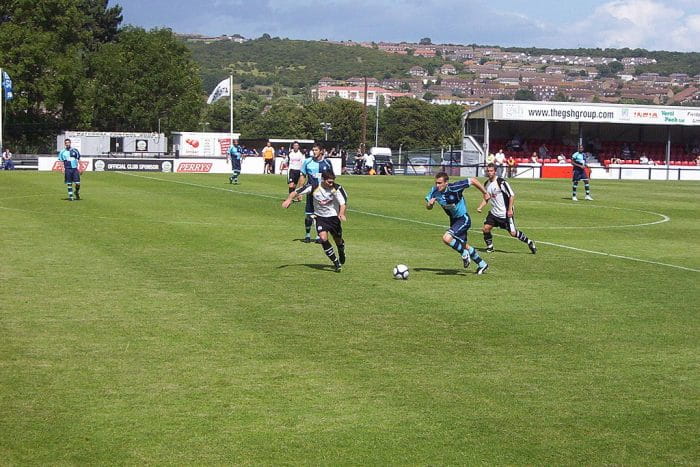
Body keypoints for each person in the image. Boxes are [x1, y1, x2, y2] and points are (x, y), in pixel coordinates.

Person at [425, 171, 491, 274]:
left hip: (463, 219)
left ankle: (464, 254)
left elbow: (473, 180)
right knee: (464, 245)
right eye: (436, 183)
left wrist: (485, 193)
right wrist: (430, 204)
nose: (437, 185)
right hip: (454, 221)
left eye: (439, 183)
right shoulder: (434, 191)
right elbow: (428, 207)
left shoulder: (454, 187)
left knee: (446, 238)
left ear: (446, 183)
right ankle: (482, 264)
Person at [282, 171, 347, 272]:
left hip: (334, 218)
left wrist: (341, 213)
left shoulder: (337, 188)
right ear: (323, 180)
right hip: (320, 217)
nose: (331, 184)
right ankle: (336, 263)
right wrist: (289, 199)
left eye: (332, 182)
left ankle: (341, 250)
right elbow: (296, 192)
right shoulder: (313, 187)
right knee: (323, 238)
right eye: (329, 182)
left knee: (338, 240)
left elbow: (343, 203)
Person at [476, 163, 537, 254]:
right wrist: (480, 207)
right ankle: (490, 247)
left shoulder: (501, 182)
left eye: (491, 171)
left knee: (513, 233)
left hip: (505, 213)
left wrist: (510, 210)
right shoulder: (486, 184)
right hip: (494, 213)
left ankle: (530, 242)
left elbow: (511, 195)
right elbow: (487, 198)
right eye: (488, 171)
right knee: (485, 228)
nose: (489, 173)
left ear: (495, 171)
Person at [299, 143, 334, 243]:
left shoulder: (327, 163)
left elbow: (331, 178)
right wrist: (300, 192)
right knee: (309, 215)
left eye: (316, 150)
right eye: (313, 150)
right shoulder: (307, 162)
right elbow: (303, 176)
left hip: (322, 194)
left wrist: (331, 192)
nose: (314, 152)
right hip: (311, 193)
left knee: (321, 215)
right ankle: (307, 235)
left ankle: (319, 236)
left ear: (321, 151)